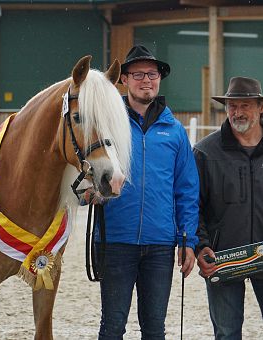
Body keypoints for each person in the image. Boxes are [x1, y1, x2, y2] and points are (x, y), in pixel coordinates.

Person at [92, 45, 199, 339]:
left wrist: (187, 239)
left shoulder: (174, 130)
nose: (146, 80)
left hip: (161, 245)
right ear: (124, 79)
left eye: (152, 74)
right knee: (112, 327)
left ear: (159, 79)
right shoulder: (107, 126)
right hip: (116, 241)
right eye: (137, 74)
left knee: (154, 329)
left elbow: (186, 190)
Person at [194, 76, 263, 340]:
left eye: (245, 105)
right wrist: (201, 246)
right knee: (226, 332)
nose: (238, 112)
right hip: (223, 260)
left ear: (260, 107)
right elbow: (193, 206)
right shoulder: (205, 152)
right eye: (232, 105)